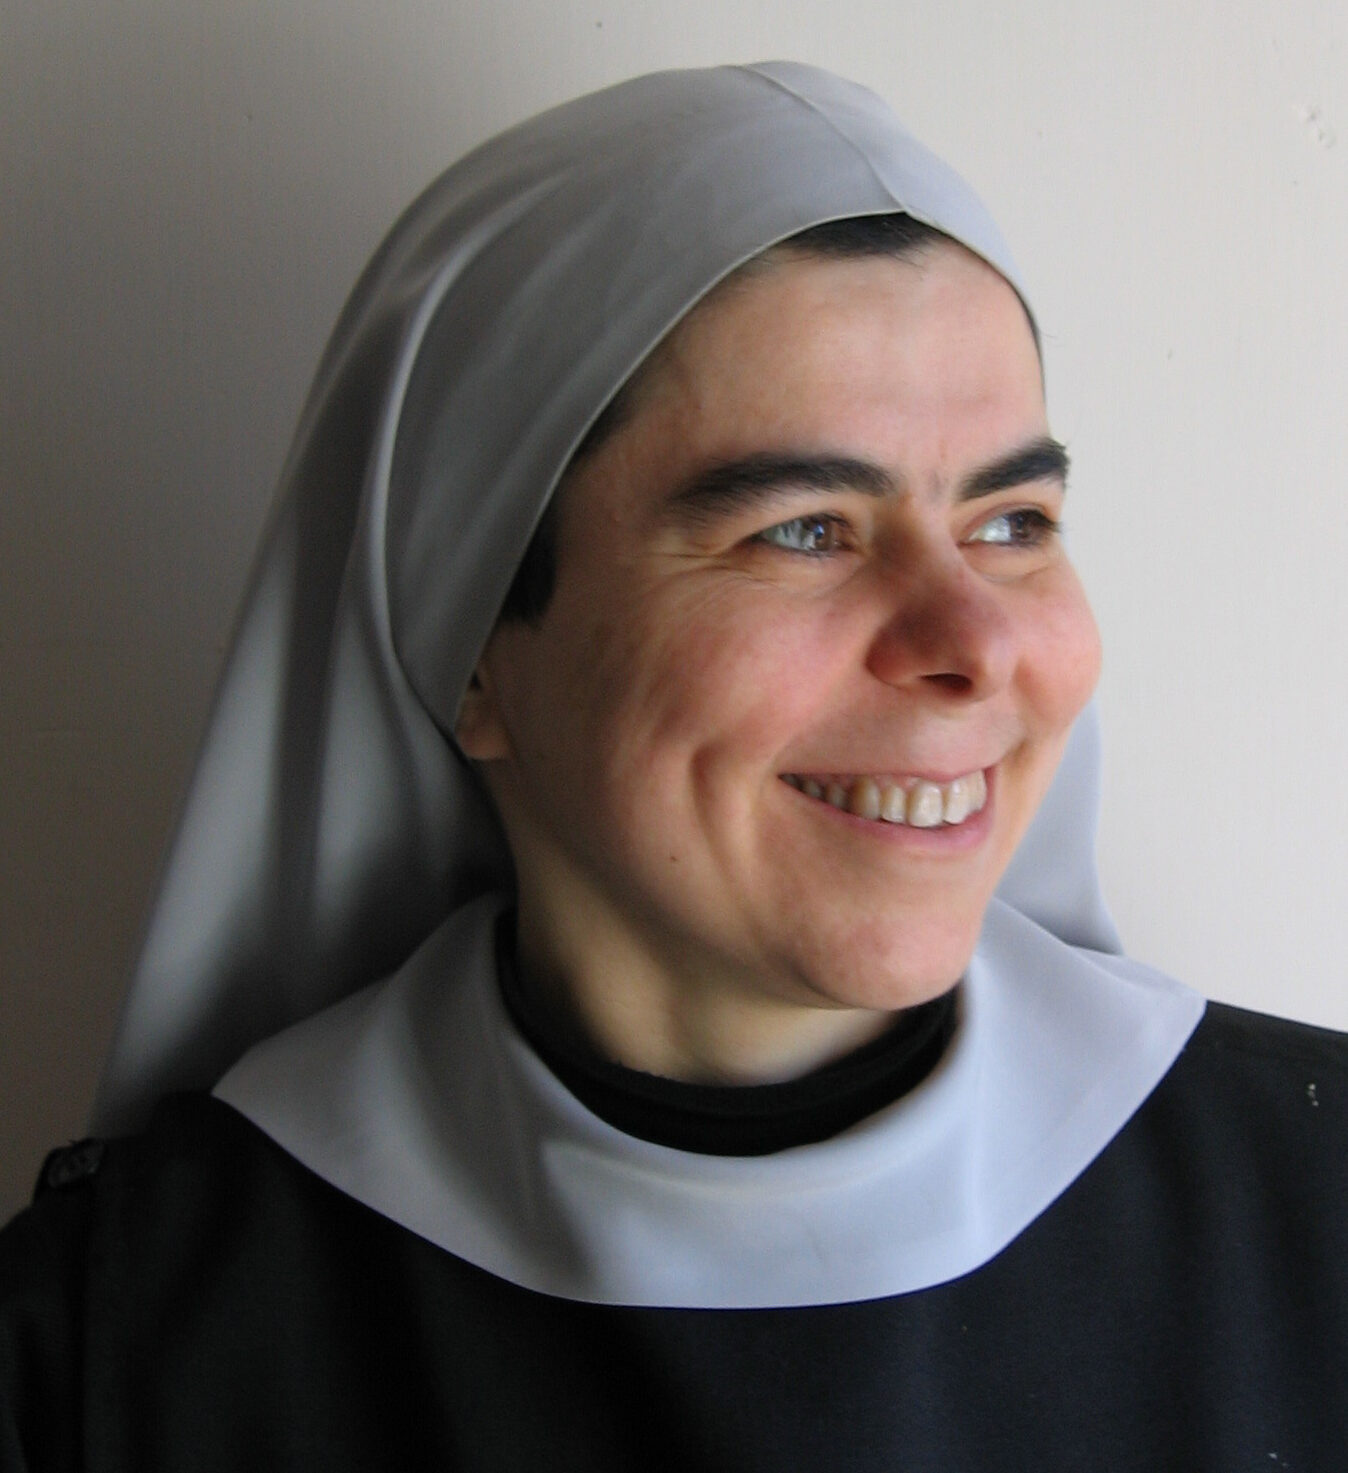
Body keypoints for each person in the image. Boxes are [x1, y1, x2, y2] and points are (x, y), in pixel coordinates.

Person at [3, 61, 1346, 1469]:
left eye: (1011, 521)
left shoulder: (1316, 1211)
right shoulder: (112, 1355)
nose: (974, 644)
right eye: (805, 530)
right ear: (473, 651)